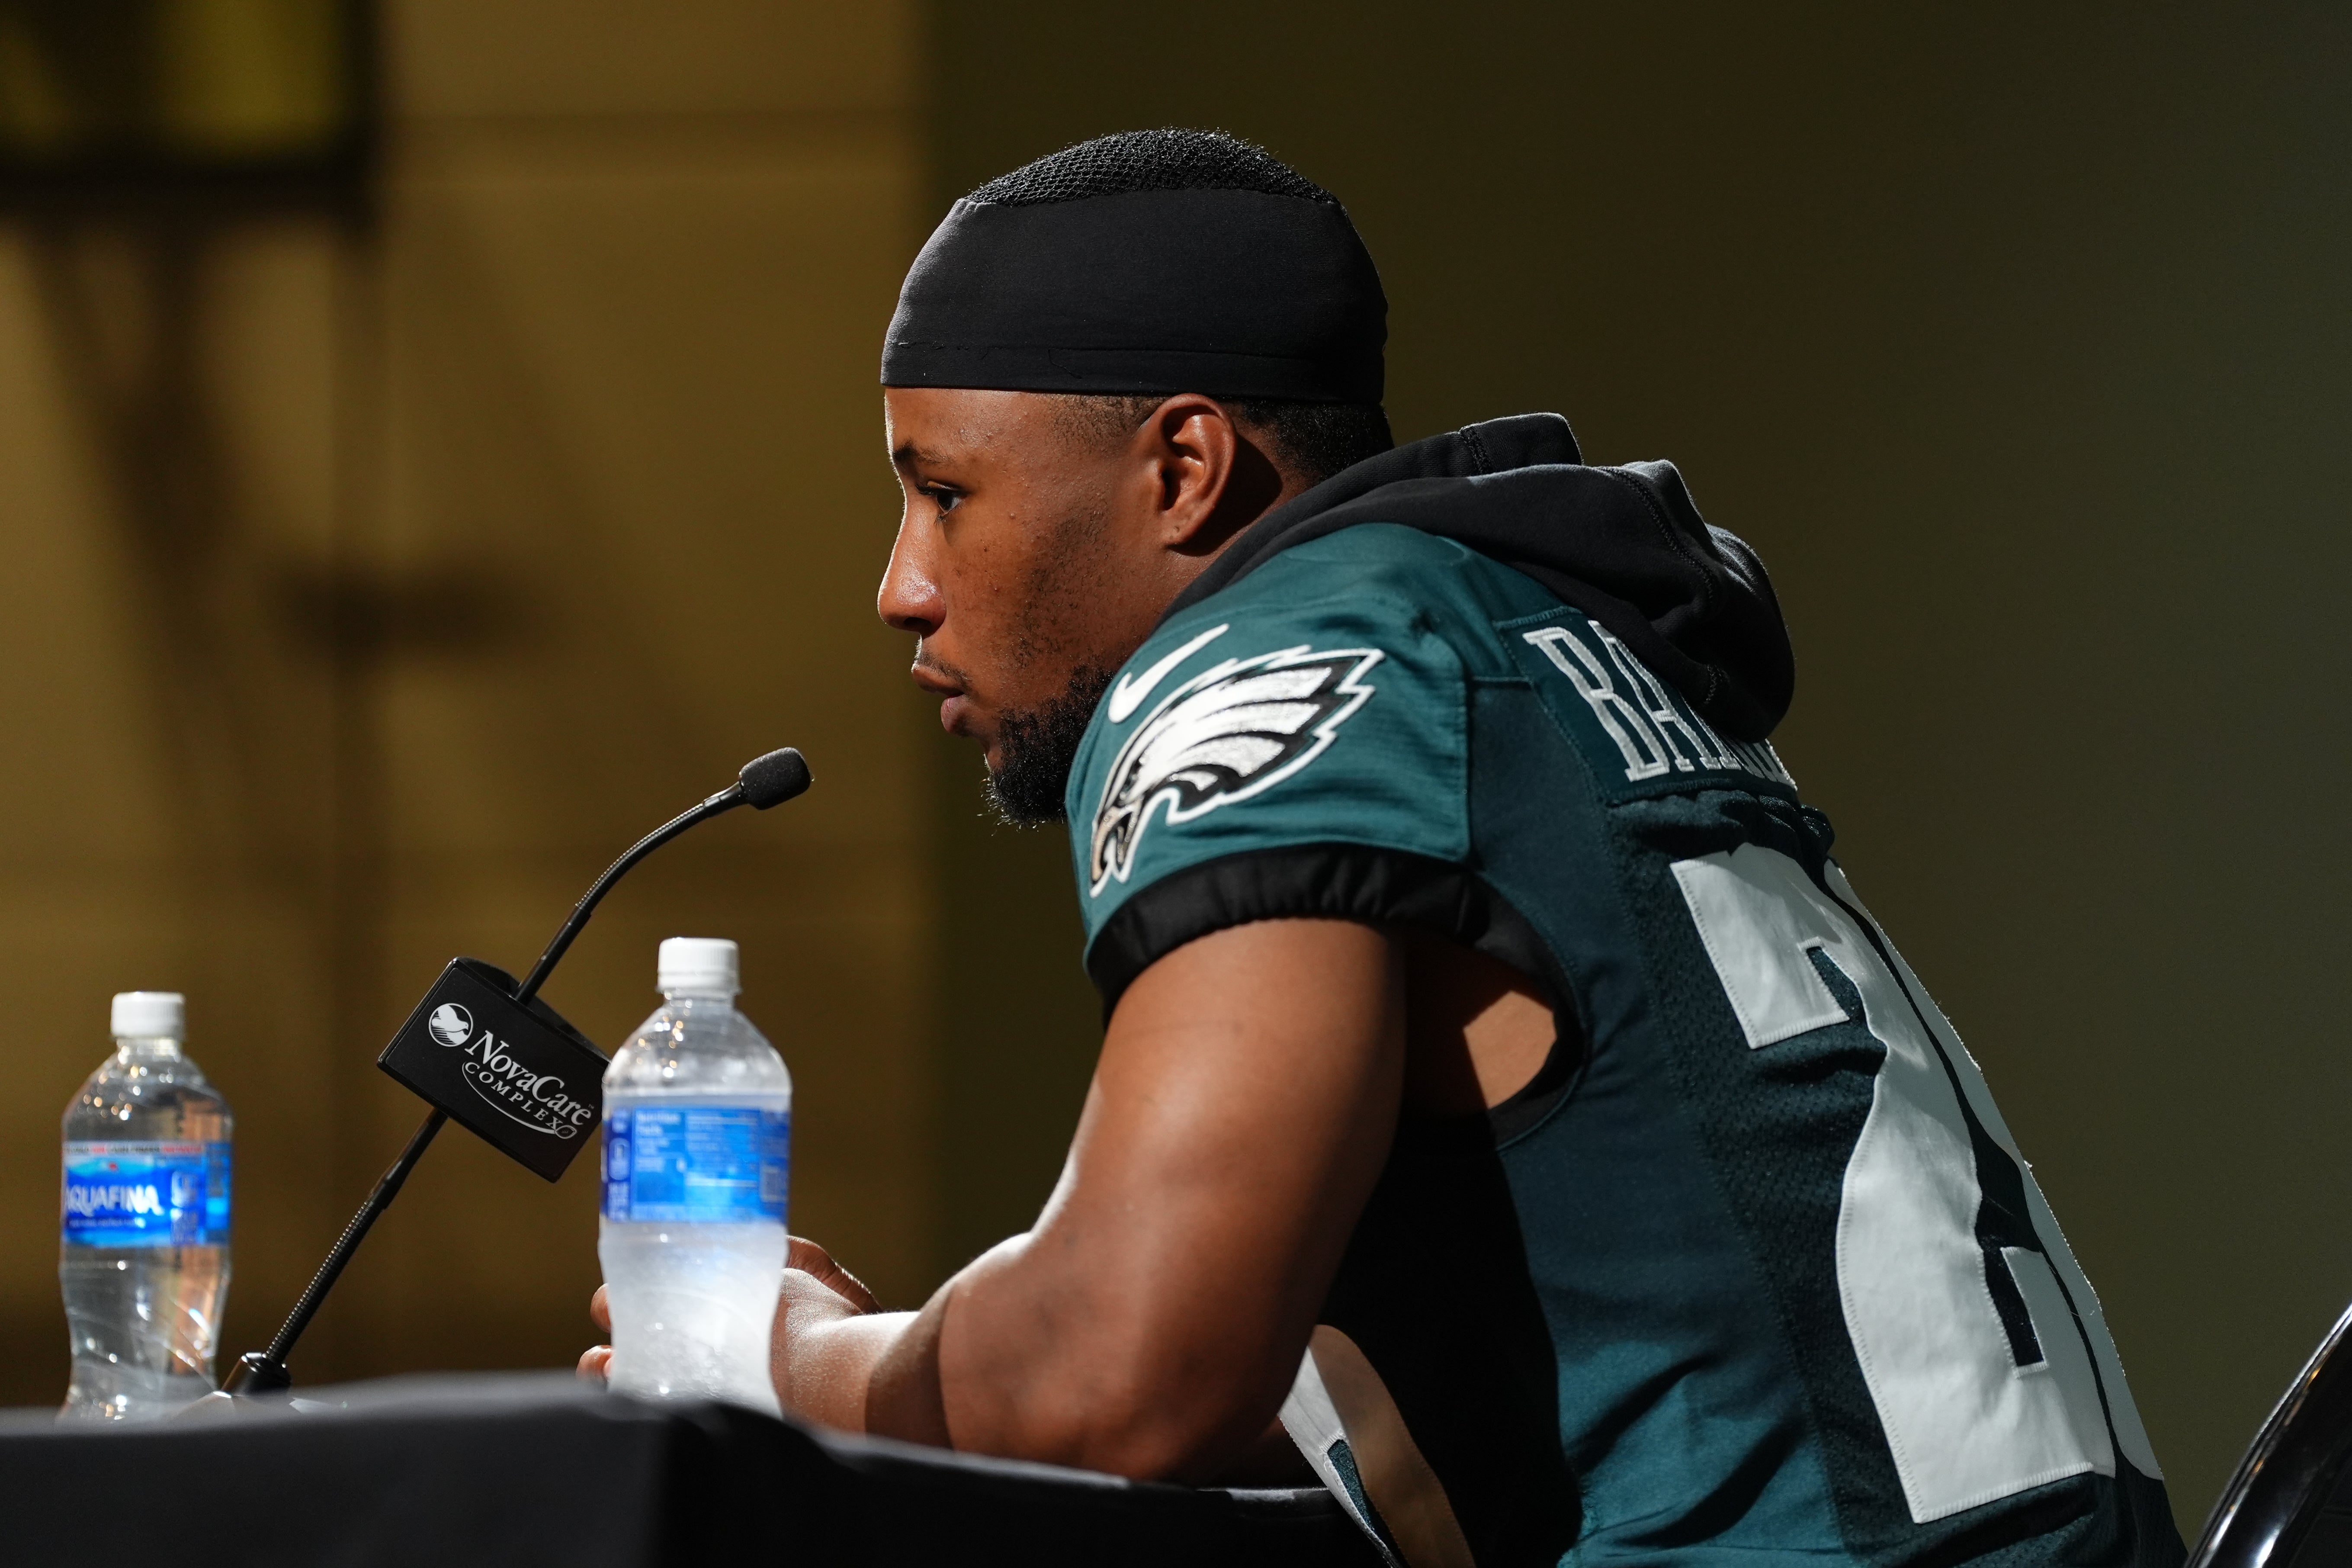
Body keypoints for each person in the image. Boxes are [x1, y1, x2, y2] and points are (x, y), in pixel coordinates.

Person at [585, 129, 2184, 1568]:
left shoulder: (1278, 662)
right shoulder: (1535, 637)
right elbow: (1321, 1399)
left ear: (1185, 469)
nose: (902, 586)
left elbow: (1128, 1368)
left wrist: (763, 1359)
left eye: (943, 493)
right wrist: (920, 1359)